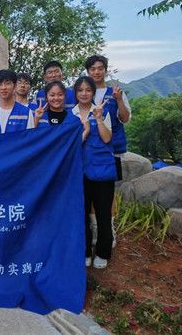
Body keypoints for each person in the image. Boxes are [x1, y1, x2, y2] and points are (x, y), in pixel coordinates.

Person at [85, 54, 132, 247]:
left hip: (111, 150)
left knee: (108, 193)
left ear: (105, 69)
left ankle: (109, 229)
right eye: (92, 69)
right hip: (89, 150)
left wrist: (119, 100)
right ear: (88, 71)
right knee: (90, 191)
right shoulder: (84, 91)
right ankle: (96, 229)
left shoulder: (115, 93)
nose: (96, 72)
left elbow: (125, 118)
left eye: (100, 68)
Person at [72, 76, 116, 269]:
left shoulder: (102, 111)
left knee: (103, 214)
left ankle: (103, 252)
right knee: (81, 213)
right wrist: (85, 130)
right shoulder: (70, 115)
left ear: (93, 92)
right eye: (80, 90)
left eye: (88, 90)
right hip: (78, 173)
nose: (84, 93)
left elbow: (107, 138)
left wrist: (97, 119)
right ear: (75, 93)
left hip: (102, 171)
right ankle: (85, 251)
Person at [0, 69, 35, 135]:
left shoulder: (26, 113)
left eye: (7, 83)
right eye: (0, 84)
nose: (3, 87)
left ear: (14, 86)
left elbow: (30, 138)